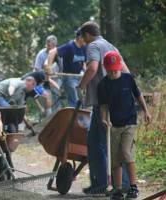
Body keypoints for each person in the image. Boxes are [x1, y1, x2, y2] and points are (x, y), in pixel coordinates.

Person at [77, 21, 130, 194]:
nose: (83, 41)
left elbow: (92, 67)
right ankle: (123, 184)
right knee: (115, 143)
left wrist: (81, 86)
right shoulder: (110, 45)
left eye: (82, 37)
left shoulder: (93, 46)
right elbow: (126, 72)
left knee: (95, 143)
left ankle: (100, 185)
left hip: (103, 103)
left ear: (86, 35)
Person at [98, 51, 151, 200]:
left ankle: (133, 187)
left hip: (129, 122)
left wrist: (146, 111)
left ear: (119, 66)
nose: (113, 72)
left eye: (115, 69)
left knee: (126, 152)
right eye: (110, 69)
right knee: (115, 158)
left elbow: (138, 95)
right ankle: (118, 189)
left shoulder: (128, 79)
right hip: (114, 124)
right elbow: (103, 105)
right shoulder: (103, 84)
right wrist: (103, 119)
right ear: (106, 68)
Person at [47, 28, 86, 107]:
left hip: (79, 76)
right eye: (85, 37)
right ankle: (74, 118)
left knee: (83, 101)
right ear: (80, 38)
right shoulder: (70, 46)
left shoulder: (84, 47)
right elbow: (52, 52)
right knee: (74, 101)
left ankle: (82, 116)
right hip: (69, 77)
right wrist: (49, 68)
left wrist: (86, 71)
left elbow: (84, 62)